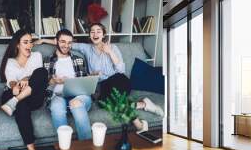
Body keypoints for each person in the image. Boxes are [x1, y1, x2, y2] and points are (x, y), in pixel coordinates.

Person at [36, 23, 164, 133]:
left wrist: (109, 52)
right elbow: (65, 44)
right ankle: (143, 104)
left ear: (103, 34)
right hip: (102, 85)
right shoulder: (86, 48)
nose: (95, 34)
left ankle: (138, 124)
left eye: (98, 31)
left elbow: (121, 70)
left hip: (118, 80)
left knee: (115, 97)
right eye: (92, 31)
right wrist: (43, 41)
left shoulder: (112, 47)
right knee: (105, 104)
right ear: (90, 35)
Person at [0, 29, 49, 150]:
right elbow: (11, 83)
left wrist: (26, 79)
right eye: (25, 42)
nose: (29, 45)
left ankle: (14, 102)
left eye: (31, 42)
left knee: (42, 72)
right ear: (17, 44)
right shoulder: (10, 62)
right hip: (14, 93)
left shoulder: (36, 56)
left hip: (33, 97)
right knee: (21, 106)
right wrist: (15, 86)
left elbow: (37, 76)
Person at [46, 29, 92, 140]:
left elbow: (85, 83)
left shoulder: (79, 60)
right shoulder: (47, 61)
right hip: (57, 96)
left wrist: (87, 79)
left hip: (79, 96)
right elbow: (44, 85)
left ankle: (87, 146)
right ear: (56, 41)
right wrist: (53, 81)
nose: (66, 45)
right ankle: (66, 145)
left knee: (76, 103)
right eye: (63, 41)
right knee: (56, 107)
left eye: (69, 43)